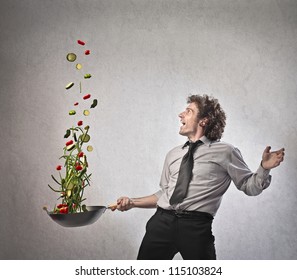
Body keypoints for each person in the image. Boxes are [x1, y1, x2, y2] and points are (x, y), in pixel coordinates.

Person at [116, 94, 285, 260]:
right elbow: (165, 194)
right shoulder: (173, 154)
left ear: (203, 121)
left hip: (196, 228)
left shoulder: (226, 152)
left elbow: (249, 186)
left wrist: (264, 168)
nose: (181, 115)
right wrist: (132, 202)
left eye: (188, 111)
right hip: (161, 223)